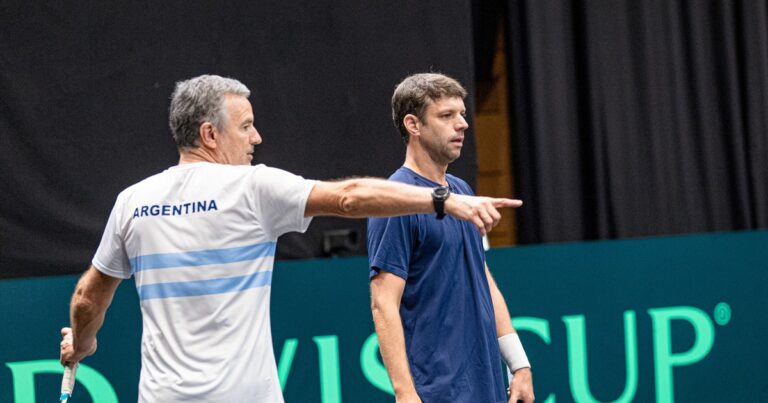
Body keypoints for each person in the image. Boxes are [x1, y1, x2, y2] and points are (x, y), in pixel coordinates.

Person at [58, 74, 521, 402]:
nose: (256, 137)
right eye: (245, 126)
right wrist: (440, 201)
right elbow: (350, 197)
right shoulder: (251, 188)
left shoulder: (132, 202)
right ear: (209, 134)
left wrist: (82, 342)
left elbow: (87, 298)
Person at [367, 73, 535, 403]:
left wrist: (519, 365)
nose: (462, 124)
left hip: (486, 381)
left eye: (462, 114)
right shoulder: (394, 201)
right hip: (438, 389)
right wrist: (405, 393)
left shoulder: (462, 192)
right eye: (446, 115)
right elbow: (383, 302)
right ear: (413, 125)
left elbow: (482, 277)